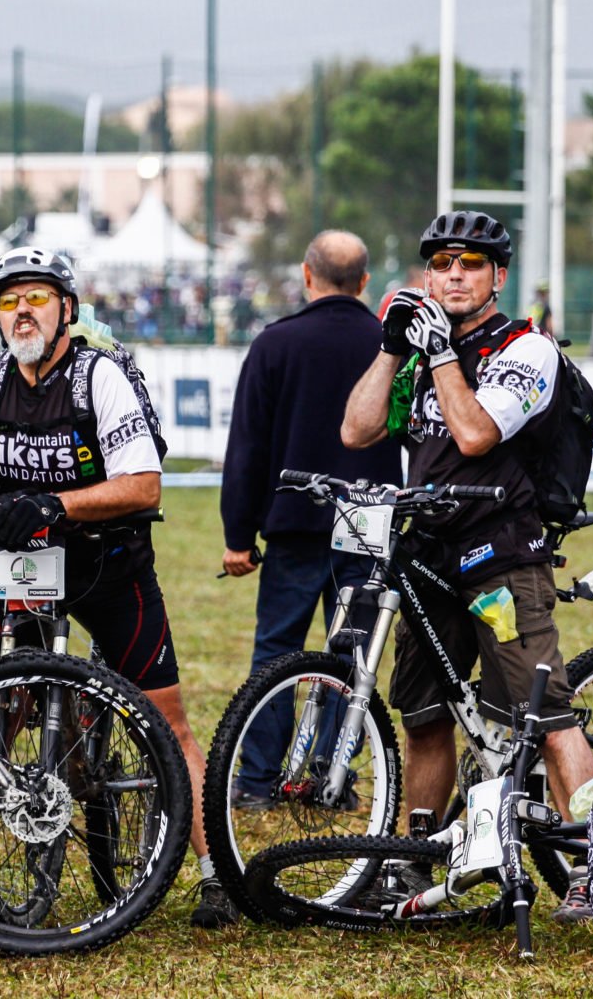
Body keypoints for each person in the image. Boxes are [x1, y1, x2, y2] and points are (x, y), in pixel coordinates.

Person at [340, 209, 593, 924]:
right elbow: (357, 428)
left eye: (471, 264)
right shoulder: (421, 350)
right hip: (428, 553)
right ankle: (412, 863)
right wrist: (393, 350)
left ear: (498, 277)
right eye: (442, 264)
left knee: (540, 715)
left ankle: (592, 862)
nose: (454, 275)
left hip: (502, 553)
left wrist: (444, 356)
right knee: (424, 718)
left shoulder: (526, 349)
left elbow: (477, 432)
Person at [0, 246, 230, 928]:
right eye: (8, 300)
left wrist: (56, 503)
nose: (21, 310)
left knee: (167, 716)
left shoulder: (99, 376)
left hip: (107, 562)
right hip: (25, 563)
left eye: (36, 297)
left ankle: (217, 873)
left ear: (67, 310)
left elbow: (143, 484)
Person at [219, 230, 402, 808]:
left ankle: (254, 783)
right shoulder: (390, 345)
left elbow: (247, 447)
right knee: (354, 657)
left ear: (307, 274)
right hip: (369, 520)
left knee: (277, 652)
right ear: (364, 282)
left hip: (296, 519)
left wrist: (237, 536)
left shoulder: (276, 344)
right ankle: (331, 779)